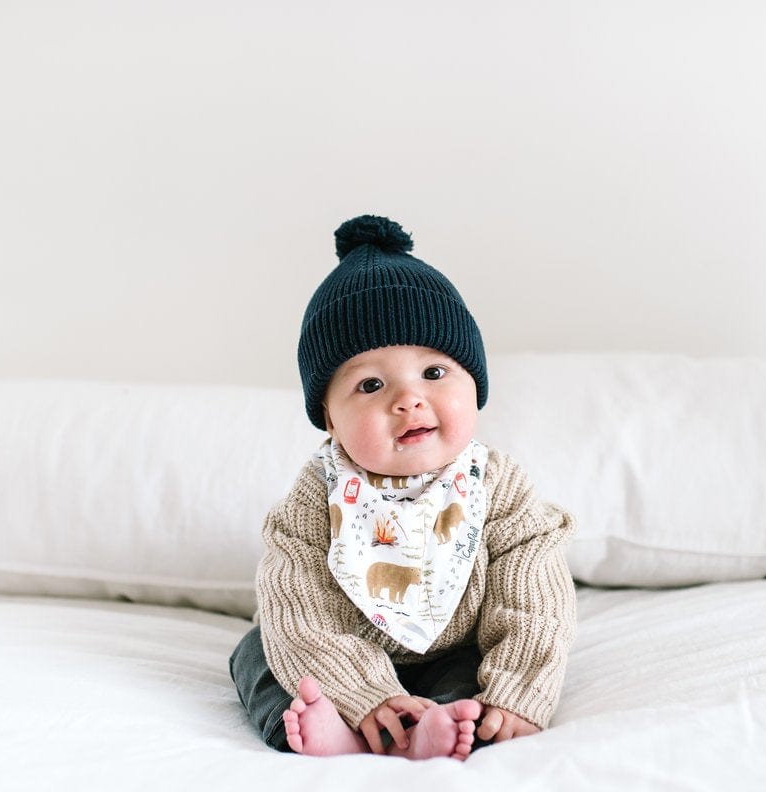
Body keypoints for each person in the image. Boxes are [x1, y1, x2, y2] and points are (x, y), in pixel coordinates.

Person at [229, 214, 576, 760]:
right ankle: (337, 729)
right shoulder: (315, 499)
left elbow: (533, 598)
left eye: (434, 374)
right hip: (343, 655)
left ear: (475, 383)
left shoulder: (498, 487)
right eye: (371, 385)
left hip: (453, 644)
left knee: (473, 666)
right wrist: (362, 693)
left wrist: (516, 693)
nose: (408, 400)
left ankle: (445, 722)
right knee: (259, 651)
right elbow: (298, 607)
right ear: (329, 418)